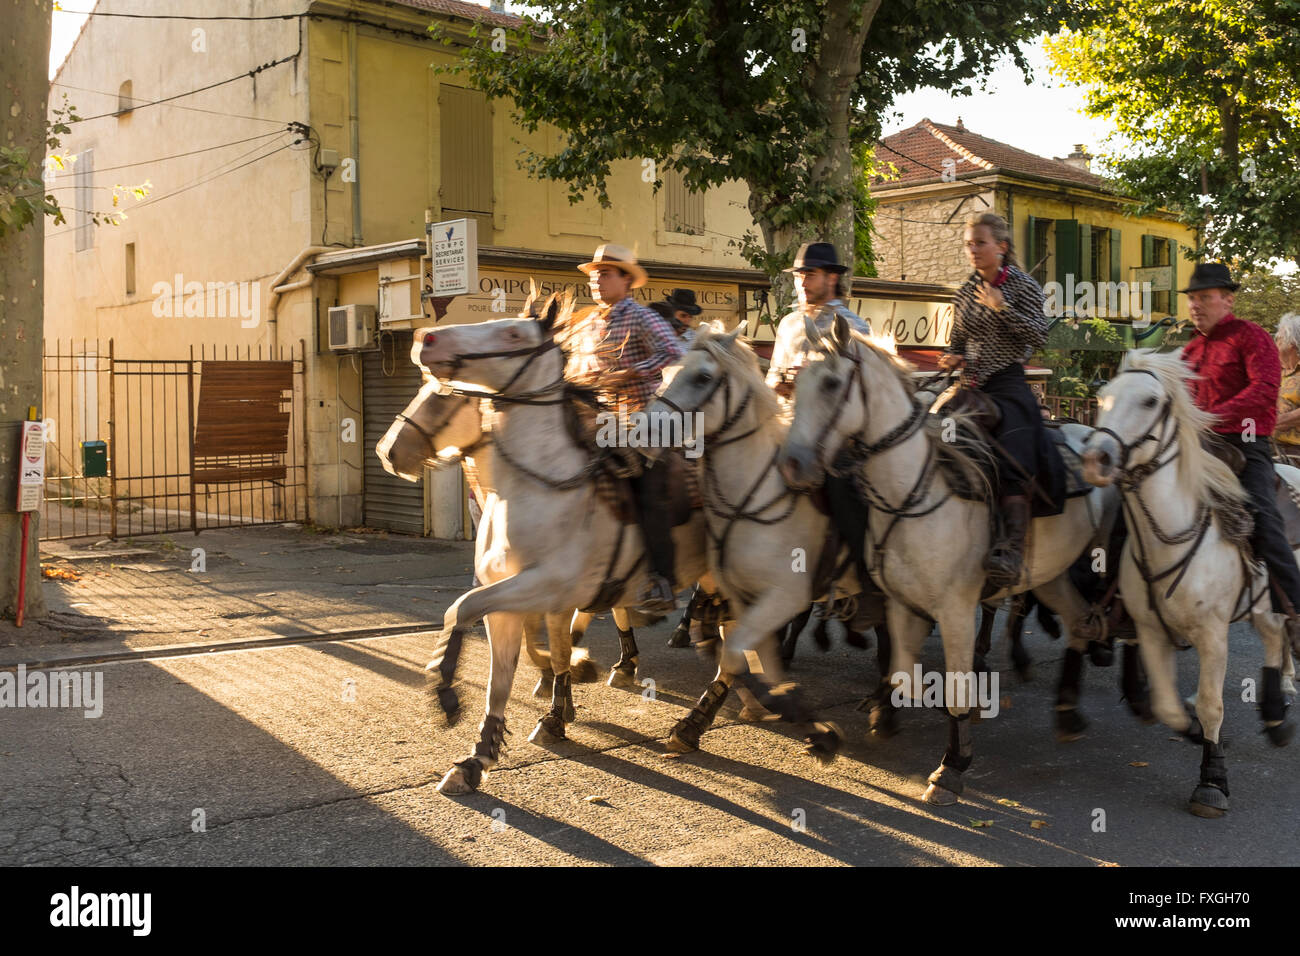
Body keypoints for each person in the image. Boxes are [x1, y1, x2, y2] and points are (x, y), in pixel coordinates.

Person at [939, 212, 1065, 589]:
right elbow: (957, 342)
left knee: (1016, 453)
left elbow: (1040, 336)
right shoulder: (963, 292)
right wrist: (951, 356)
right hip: (970, 387)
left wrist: (1001, 307)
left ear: (1002, 247)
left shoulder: (1023, 286)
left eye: (980, 243)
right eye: (969, 243)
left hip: (1008, 384)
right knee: (937, 436)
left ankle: (1010, 547)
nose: (973, 250)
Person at [1180, 263, 1300, 646]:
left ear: (1227, 300)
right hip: (1197, 446)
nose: (1196, 305)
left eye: (1204, 297)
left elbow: (1265, 391)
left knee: (1264, 517)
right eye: (1192, 299)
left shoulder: (1252, 336)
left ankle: (1296, 610)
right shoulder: (1190, 349)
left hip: (1245, 445)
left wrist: (1211, 416)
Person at [765, 241, 876, 611]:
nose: (801, 283)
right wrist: (780, 383)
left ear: (832, 278)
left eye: (809, 275)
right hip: (788, 427)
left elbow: (858, 387)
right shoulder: (789, 324)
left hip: (833, 434)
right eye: (799, 276)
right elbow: (772, 380)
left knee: (846, 494)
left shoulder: (853, 325)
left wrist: (810, 378)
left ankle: (866, 585)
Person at [575, 243, 686, 613]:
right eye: (594, 274)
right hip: (603, 420)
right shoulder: (590, 322)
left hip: (648, 417)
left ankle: (662, 580)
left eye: (605, 273)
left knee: (648, 493)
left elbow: (675, 354)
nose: (596, 280)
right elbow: (579, 369)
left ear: (626, 281)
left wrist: (634, 370)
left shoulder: (641, 317)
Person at [1273, 312, 1300, 464]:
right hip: (1268, 446)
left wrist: (1275, 421)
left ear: (1292, 343)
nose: (1274, 342)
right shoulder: (1271, 372)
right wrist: (1247, 439)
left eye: (1278, 339)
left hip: (1295, 452)